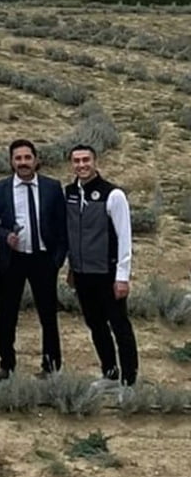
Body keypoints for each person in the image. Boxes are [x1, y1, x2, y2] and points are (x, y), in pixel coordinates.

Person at [0, 139, 68, 380]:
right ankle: (6, 364)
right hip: (13, 260)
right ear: (11, 162)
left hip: (44, 260)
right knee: (7, 314)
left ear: (36, 160)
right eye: (18, 158)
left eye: (27, 158)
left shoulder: (52, 187)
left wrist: (58, 259)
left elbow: (62, 225)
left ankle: (51, 365)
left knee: (48, 315)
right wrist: (4, 236)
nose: (23, 163)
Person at [64, 144, 137, 392]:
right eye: (76, 161)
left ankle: (129, 381)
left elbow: (124, 237)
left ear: (95, 161)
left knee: (120, 326)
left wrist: (122, 276)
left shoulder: (113, 195)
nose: (81, 165)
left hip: (108, 273)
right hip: (83, 274)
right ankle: (110, 373)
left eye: (86, 160)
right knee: (96, 325)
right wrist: (72, 268)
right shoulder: (70, 193)